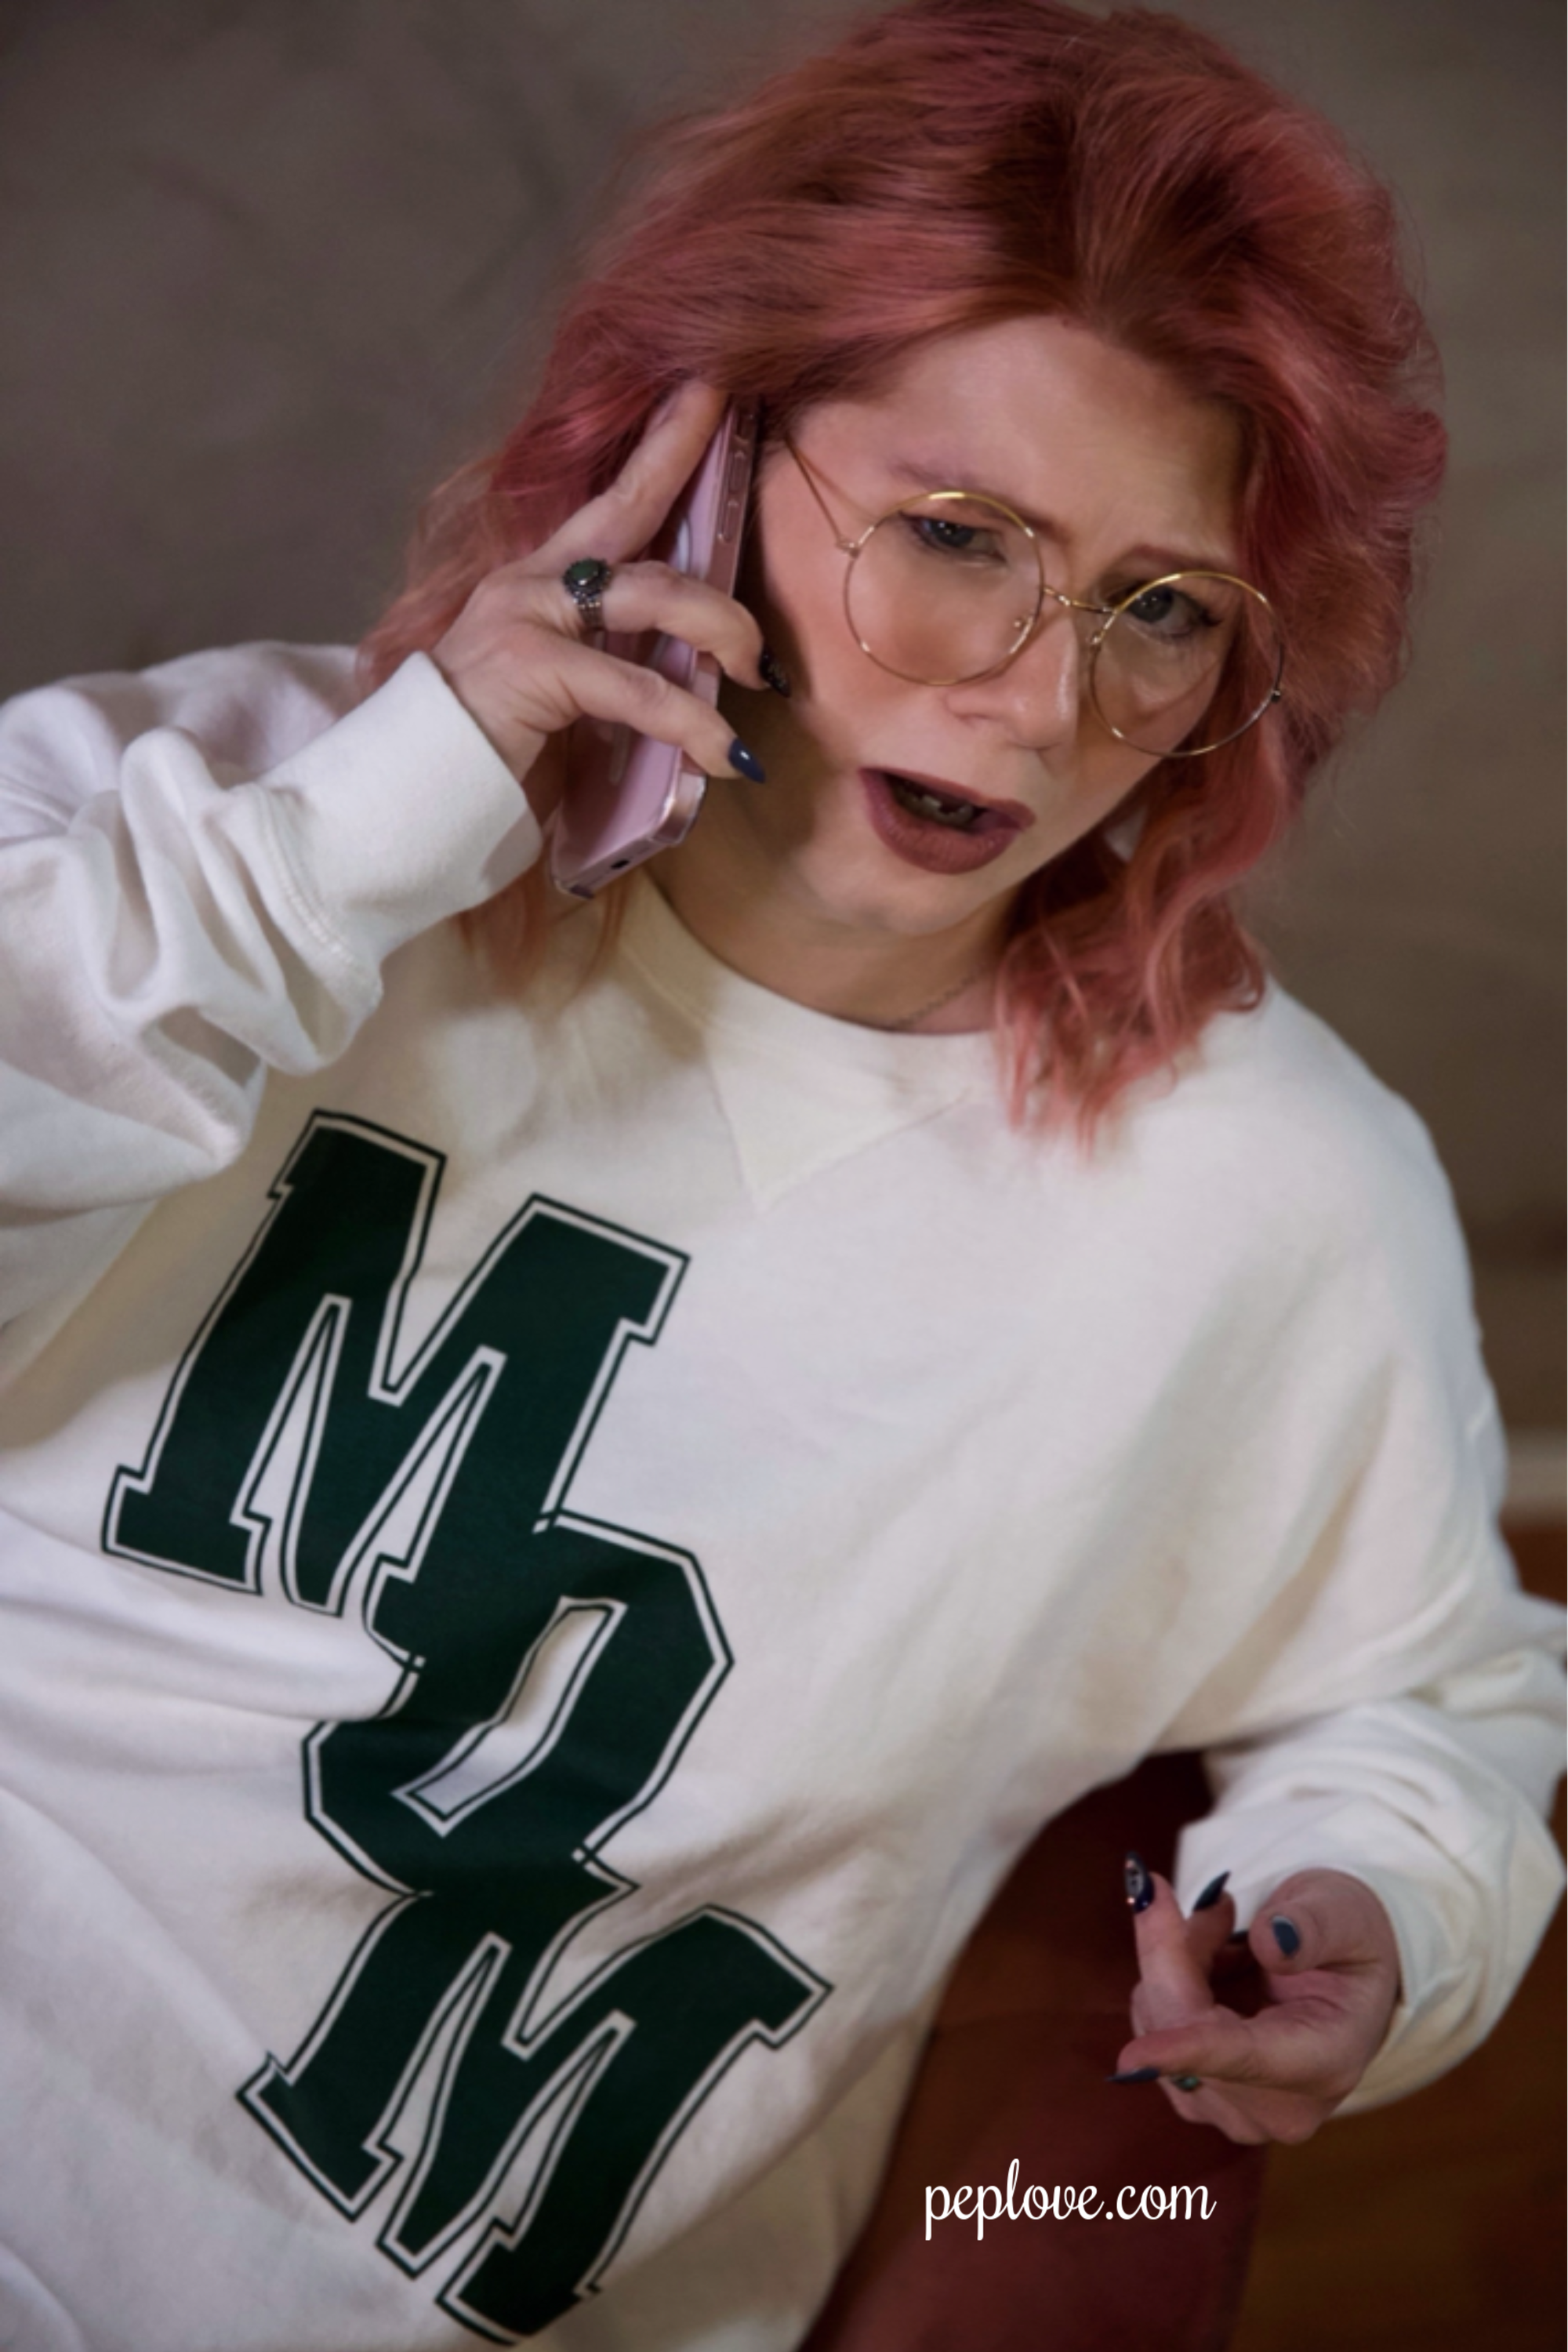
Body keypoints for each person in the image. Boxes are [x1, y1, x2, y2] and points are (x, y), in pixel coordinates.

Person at [0, 2, 1563, 2347]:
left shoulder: (1267, 1194)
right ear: (695, 463)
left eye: (1157, 610)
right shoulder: (200, 822)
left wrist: (1373, 1904)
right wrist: (369, 829)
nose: (1037, 700)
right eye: (956, 538)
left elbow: (1430, 1703)